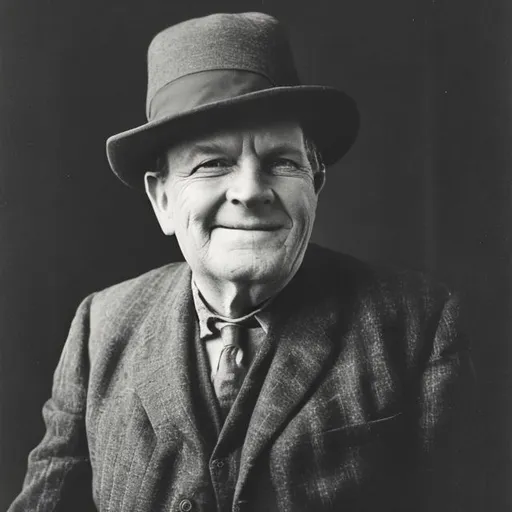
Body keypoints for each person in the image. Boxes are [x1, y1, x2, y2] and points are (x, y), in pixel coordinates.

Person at [9, 12, 475, 512]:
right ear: (162, 200)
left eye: (282, 161)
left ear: (314, 184)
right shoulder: (99, 327)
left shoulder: (421, 327)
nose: (251, 191)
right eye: (212, 163)